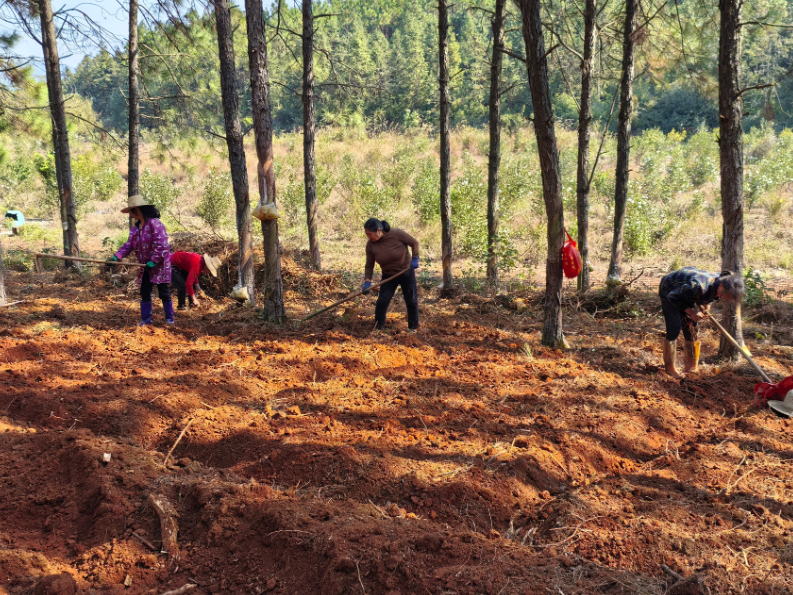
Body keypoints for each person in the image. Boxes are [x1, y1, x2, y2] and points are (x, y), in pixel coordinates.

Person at [659, 267, 745, 379]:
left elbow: (710, 295)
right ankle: (670, 368)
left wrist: (706, 306)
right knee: (674, 327)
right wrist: (691, 312)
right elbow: (673, 296)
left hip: (686, 291)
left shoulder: (722, 281)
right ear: (721, 286)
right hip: (670, 288)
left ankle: (690, 367)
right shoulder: (698, 286)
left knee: (692, 329)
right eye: (725, 296)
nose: (724, 299)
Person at [108, 195, 174, 326]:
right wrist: (117, 256)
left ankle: (169, 319)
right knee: (145, 291)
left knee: (164, 292)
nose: (131, 214)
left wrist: (154, 260)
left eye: (132, 211)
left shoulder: (155, 224)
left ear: (138, 210)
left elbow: (163, 245)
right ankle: (146, 320)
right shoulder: (135, 229)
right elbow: (129, 245)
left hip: (160, 265)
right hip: (145, 266)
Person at [362, 218, 420, 331]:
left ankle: (413, 328)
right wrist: (367, 281)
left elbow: (414, 243)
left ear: (379, 231)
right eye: (366, 234)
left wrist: (415, 258)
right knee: (382, 302)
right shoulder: (370, 245)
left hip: (406, 272)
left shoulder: (396, 234)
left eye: (370, 234)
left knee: (411, 300)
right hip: (388, 276)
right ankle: (378, 328)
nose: (368, 237)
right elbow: (369, 264)